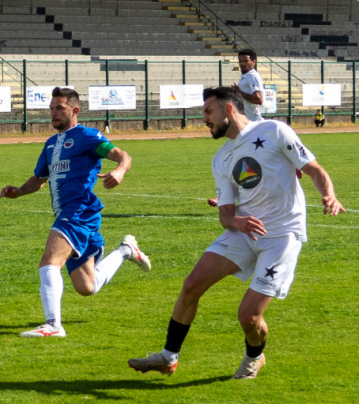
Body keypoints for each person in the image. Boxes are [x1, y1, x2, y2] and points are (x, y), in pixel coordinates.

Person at [128, 87, 345, 380]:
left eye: (208, 112)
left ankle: (255, 356)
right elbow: (226, 215)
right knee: (191, 285)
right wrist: (238, 223)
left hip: (282, 235)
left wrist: (329, 195)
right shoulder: (221, 159)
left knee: (249, 316)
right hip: (245, 232)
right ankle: (168, 357)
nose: (204, 119)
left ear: (228, 109)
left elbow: (315, 170)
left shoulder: (274, 130)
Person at [0, 87, 151, 338]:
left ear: (75, 110)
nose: (54, 113)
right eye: (51, 108)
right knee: (86, 287)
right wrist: (17, 191)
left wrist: (120, 171)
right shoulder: (50, 144)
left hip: (78, 211)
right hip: (73, 215)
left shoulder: (87, 136)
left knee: (50, 262)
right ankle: (126, 250)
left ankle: (53, 325)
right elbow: (39, 180)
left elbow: (121, 155)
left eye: (59, 108)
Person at [208, 49, 266, 207]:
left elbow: (258, 99)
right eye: (240, 61)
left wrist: (240, 93)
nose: (242, 63)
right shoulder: (246, 77)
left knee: (224, 159)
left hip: (252, 126)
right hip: (247, 126)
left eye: (246, 61)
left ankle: (224, 198)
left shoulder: (253, 76)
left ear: (253, 61)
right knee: (236, 160)